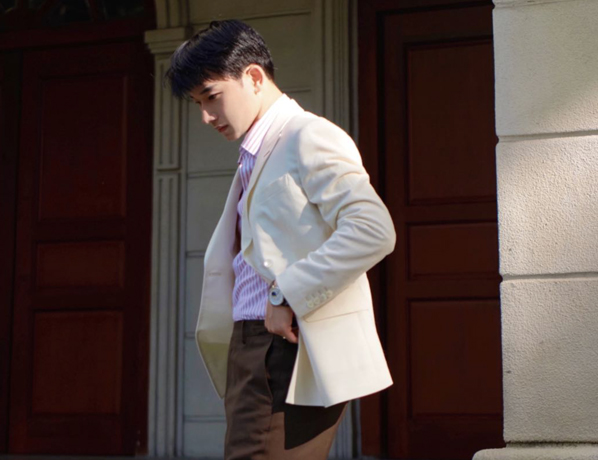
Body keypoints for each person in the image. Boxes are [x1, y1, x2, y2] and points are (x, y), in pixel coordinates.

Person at [166, 19, 396, 460]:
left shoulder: (308, 135)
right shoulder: (256, 151)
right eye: (197, 103)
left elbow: (373, 229)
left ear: (253, 77)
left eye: (211, 96)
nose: (206, 116)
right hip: (256, 345)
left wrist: (286, 290)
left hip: (286, 345)